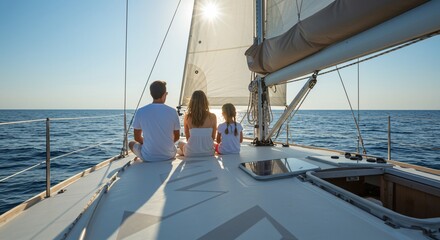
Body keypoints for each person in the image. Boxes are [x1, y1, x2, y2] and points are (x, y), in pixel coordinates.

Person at [129, 80, 180, 161]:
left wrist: (150, 144)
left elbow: (137, 137)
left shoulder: (140, 111)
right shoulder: (173, 111)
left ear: (151, 94)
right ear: (164, 94)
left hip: (148, 157)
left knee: (131, 143)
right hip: (169, 155)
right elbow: (177, 137)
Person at [178, 90, 217, 157]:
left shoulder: (187, 117)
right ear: (205, 102)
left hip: (191, 153)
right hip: (209, 152)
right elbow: (212, 137)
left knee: (179, 143)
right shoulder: (213, 117)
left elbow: (188, 138)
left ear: (191, 102)